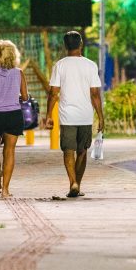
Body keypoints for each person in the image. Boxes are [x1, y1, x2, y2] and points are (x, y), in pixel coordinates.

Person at [44, 31, 104, 198]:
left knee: (68, 150)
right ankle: (77, 183)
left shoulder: (60, 65)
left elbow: (53, 93)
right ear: (81, 44)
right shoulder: (90, 65)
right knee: (82, 151)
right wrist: (100, 116)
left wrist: (48, 115)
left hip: (67, 116)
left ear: (65, 46)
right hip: (85, 115)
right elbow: (95, 94)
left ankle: (73, 183)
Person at [0, 39, 28, 198]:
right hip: (14, 115)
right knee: (9, 152)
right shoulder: (19, 73)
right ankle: (5, 190)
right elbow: (25, 97)